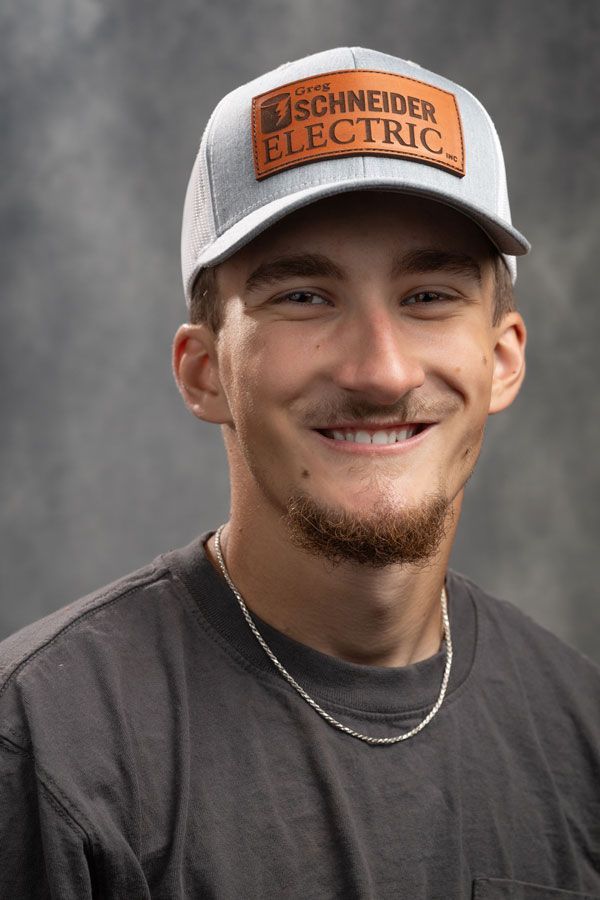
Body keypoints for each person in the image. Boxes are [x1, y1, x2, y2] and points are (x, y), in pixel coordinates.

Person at [1, 46, 599, 900]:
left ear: (502, 358)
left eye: (429, 294)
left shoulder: (582, 735)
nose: (382, 371)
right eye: (304, 298)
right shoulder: (46, 750)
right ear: (204, 370)